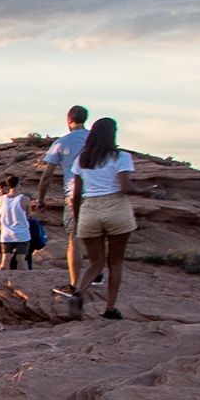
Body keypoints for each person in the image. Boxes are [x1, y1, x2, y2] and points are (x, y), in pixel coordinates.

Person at [57, 117, 138, 319]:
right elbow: (125, 187)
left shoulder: (82, 160)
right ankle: (110, 309)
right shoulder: (121, 157)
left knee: (95, 262)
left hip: (89, 210)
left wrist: (77, 218)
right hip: (116, 207)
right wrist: (146, 191)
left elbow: (76, 194)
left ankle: (78, 294)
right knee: (115, 263)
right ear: (113, 134)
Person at [37, 106, 90, 207]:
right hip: (97, 194)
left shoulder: (61, 143)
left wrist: (41, 199)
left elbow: (47, 175)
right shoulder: (96, 138)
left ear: (69, 119)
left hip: (74, 195)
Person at [0, 179, 32, 270]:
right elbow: (28, 215)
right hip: (21, 233)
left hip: (6, 234)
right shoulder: (25, 199)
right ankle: (22, 281)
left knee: (5, 259)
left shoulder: (1, 199)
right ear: (18, 185)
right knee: (20, 259)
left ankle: (3, 281)